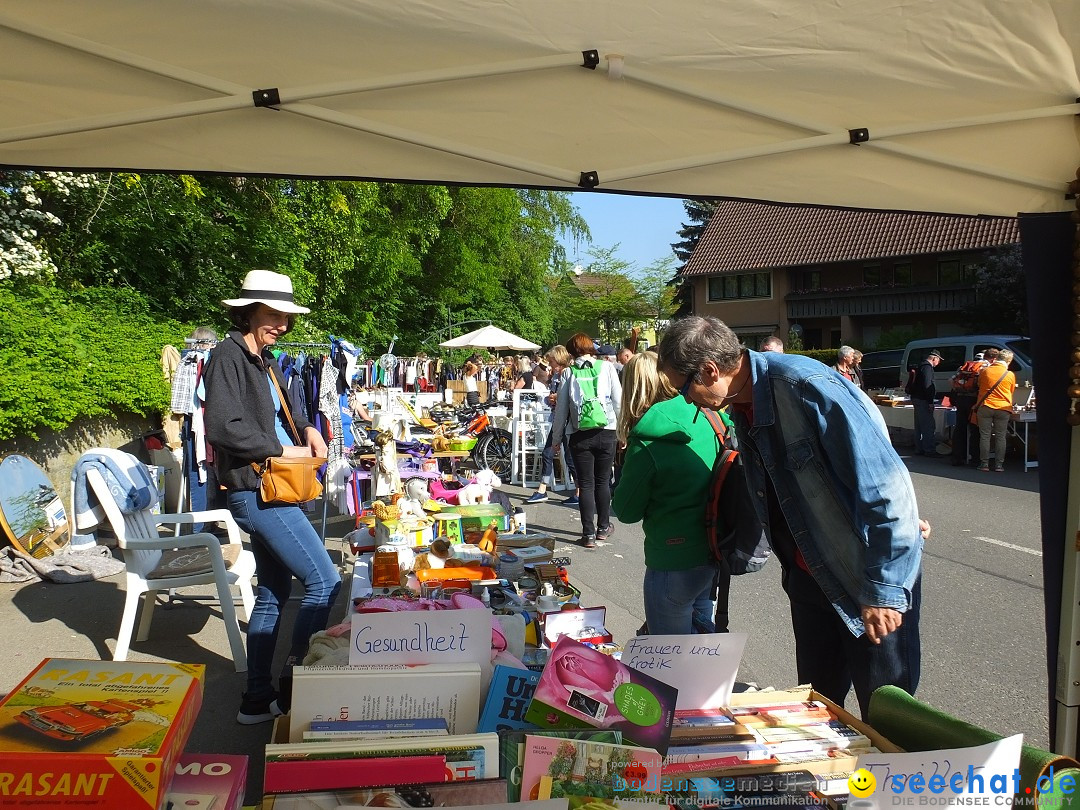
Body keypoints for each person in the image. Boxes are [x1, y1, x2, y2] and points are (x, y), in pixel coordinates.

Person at [658, 315, 924, 716]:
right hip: (809, 577)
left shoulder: (805, 387)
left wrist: (884, 587)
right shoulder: (741, 403)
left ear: (710, 371)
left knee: (887, 717)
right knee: (820, 711)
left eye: (683, 386)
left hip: (865, 579)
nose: (685, 399)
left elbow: (885, 485)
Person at [203, 269, 341, 725]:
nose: (281, 323)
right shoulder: (227, 356)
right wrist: (286, 448)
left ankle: (256, 700)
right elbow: (223, 427)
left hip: (274, 487)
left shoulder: (265, 358)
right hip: (258, 492)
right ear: (248, 311)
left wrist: (310, 429)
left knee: (274, 591)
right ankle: (296, 686)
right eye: (273, 314)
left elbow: (290, 408)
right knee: (324, 581)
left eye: (286, 316)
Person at [612, 352, 722, 635]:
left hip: (672, 558)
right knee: (700, 648)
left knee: (670, 661)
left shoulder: (648, 437)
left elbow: (625, 511)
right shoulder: (710, 414)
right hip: (714, 548)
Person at [550, 333, 622, 548]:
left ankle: (588, 534)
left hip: (579, 434)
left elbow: (561, 410)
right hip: (606, 430)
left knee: (585, 484)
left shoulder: (568, 373)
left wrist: (556, 439)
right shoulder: (607, 367)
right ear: (591, 348)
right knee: (603, 481)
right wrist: (622, 432)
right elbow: (618, 401)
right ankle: (603, 528)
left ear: (571, 351)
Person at [525, 346, 579, 505]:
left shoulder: (571, 374)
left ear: (559, 360)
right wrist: (551, 399)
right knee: (547, 453)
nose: (550, 365)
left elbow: (574, 398)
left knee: (570, 459)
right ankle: (542, 490)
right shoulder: (556, 376)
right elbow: (552, 398)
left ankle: (579, 491)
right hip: (557, 421)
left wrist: (560, 398)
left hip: (569, 423)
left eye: (552, 361)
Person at [949, 349, 993, 466]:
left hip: (961, 400)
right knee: (975, 429)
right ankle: (975, 458)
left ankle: (957, 457)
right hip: (974, 401)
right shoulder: (984, 368)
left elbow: (951, 381)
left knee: (960, 428)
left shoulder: (964, 367)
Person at [976, 349, 1017, 472]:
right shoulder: (1010, 374)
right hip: (1003, 408)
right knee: (1001, 436)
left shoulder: (985, 371)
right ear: (1008, 361)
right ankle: (999, 465)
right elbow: (1011, 391)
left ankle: (984, 464)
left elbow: (979, 385)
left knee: (985, 436)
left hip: (986, 405)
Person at [907, 349, 943, 456]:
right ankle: (929, 449)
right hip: (923, 399)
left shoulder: (920, 366)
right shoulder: (927, 368)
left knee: (919, 425)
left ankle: (919, 448)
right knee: (928, 425)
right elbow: (927, 385)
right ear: (934, 358)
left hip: (916, 398)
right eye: (938, 360)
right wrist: (930, 401)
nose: (938, 362)